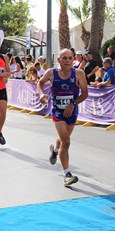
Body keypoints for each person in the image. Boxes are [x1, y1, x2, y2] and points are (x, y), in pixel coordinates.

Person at [37, 49, 89, 186]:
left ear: (73, 60)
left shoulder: (79, 74)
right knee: (66, 141)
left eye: (70, 58)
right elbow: (40, 83)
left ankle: (54, 150)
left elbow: (85, 93)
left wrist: (73, 104)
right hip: (57, 111)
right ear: (59, 60)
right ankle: (67, 174)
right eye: (64, 58)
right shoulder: (51, 73)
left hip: (72, 111)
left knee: (63, 139)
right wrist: (41, 94)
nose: (67, 60)